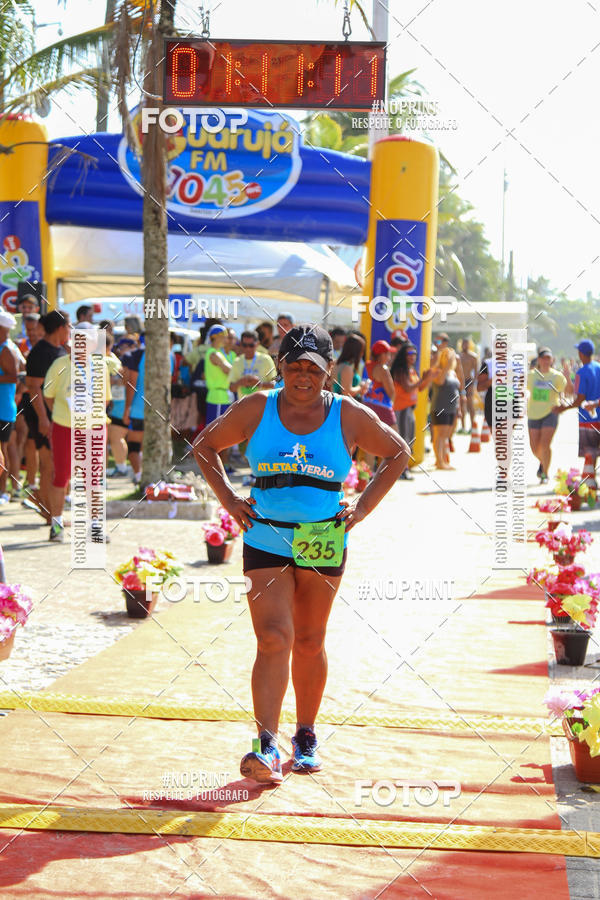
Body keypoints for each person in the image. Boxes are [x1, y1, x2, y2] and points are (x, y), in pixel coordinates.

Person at [193, 324, 409, 783]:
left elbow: (397, 453)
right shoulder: (258, 406)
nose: (303, 376)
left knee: (309, 640)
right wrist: (229, 499)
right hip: (266, 537)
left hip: (322, 538)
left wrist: (362, 508)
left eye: (313, 368)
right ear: (280, 367)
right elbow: (204, 445)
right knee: (273, 638)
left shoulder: (347, 414)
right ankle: (266, 745)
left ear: (329, 370)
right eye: (294, 366)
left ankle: (306, 734)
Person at [43, 324, 111, 542]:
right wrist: (65, 413)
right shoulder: (59, 365)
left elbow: (105, 399)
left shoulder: (100, 366)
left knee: (93, 477)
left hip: (94, 427)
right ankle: (56, 525)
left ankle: (95, 526)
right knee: (61, 475)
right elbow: (48, 396)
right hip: (64, 426)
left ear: (93, 344)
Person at [24, 310, 70, 522]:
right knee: (48, 464)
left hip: (58, 416)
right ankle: (49, 512)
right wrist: (43, 419)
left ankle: (50, 509)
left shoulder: (60, 350)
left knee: (57, 465)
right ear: (61, 328)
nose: (70, 331)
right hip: (41, 415)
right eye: (68, 326)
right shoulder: (40, 352)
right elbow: (34, 388)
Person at [555, 339, 600, 479]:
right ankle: (591, 480)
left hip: (587, 420)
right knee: (595, 452)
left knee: (590, 452)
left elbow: (580, 398)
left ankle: (589, 483)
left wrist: (563, 408)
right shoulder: (598, 367)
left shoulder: (581, 372)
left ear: (581, 354)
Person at [391, 342, 435, 478]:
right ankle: (401, 471)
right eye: (409, 353)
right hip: (401, 409)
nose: (413, 356)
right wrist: (423, 379)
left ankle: (404, 469)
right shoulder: (400, 370)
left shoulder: (411, 369)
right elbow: (408, 388)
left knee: (409, 440)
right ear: (403, 355)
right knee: (403, 440)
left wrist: (428, 379)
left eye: (414, 353)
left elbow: (419, 388)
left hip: (409, 409)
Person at [527, 348, 566, 483]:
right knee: (534, 448)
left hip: (551, 412)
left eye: (548, 358)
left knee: (545, 444)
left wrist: (562, 402)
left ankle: (545, 474)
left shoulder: (557, 376)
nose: (545, 361)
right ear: (539, 360)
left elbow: (565, 390)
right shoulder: (531, 375)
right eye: (543, 358)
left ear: (552, 360)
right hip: (533, 413)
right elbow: (518, 389)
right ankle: (543, 461)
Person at [0, 311, 19, 503]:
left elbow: (14, 376)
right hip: (4, 408)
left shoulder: (6, 349)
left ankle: (3, 491)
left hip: (3, 409)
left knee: (2, 451)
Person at [431, 347, 460, 469]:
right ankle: (439, 461)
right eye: (446, 356)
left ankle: (443, 460)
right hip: (440, 407)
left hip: (451, 408)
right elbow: (440, 382)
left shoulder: (453, 372)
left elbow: (457, 389)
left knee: (445, 435)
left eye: (450, 356)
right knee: (439, 435)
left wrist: (458, 407)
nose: (448, 359)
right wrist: (446, 366)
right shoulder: (438, 371)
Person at [228, 330, 276, 401]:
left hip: (262, 405)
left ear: (257, 344)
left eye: (251, 345)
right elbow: (231, 388)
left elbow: (276, 385)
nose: (248, 348)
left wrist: (259, 384)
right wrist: (240, 382)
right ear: (241, 344)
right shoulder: (237, 361)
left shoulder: (266, 359)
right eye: (245, 345)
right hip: (243, 405)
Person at [363, 339, 397, 429]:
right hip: (383, 408)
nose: (390, 357)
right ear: (382, 355)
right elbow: (392, 393)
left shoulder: (366, 365)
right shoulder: (383, 369)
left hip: (366, 406)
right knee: (395, 437)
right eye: (388, 354)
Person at [332, 334, 367, 399]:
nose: (362, 354)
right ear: (357, 351)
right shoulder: (346, 367)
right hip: (343, 403)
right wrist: (361, 387)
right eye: (362, 351)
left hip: (337, 401)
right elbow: (346, 392)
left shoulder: (337, 363)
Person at [459, 338, 479, 433]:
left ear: (469, 345)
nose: (465, 346)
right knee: (461, 405)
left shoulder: (473, 356)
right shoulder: (459, 356)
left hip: (469, 381)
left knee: (470, 405)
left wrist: (473, 383)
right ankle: (463, 427)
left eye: (466, 344)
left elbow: (476, 372)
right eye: (463, 344)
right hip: (460, 382)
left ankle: (472, 426)